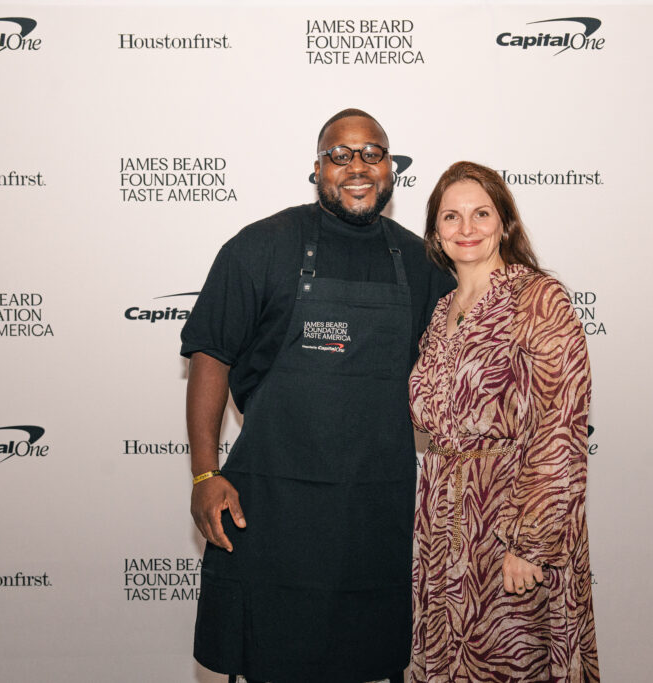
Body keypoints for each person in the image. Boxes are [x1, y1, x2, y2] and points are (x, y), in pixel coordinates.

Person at [180, 109, 454, 683]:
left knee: (368, 661)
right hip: (270, 506)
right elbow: (211, 354)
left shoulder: (422, 263)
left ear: (391, 167)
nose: (357, 166)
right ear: (318, 168)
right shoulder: (261, 246)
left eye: (372, 153)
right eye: (340, 155)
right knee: (269, 659)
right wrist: (205, 473)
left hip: (375, 511)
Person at [408, 162, 599, 682]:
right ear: (435, 232)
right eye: (451, 216)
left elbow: (560, 428)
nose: (466, 228)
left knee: (511, 664)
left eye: (481, 213)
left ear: (505, 223)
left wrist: (531, 543)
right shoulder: (442, 310)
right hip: (444, 527)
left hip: (509, 520)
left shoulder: (538, 298)